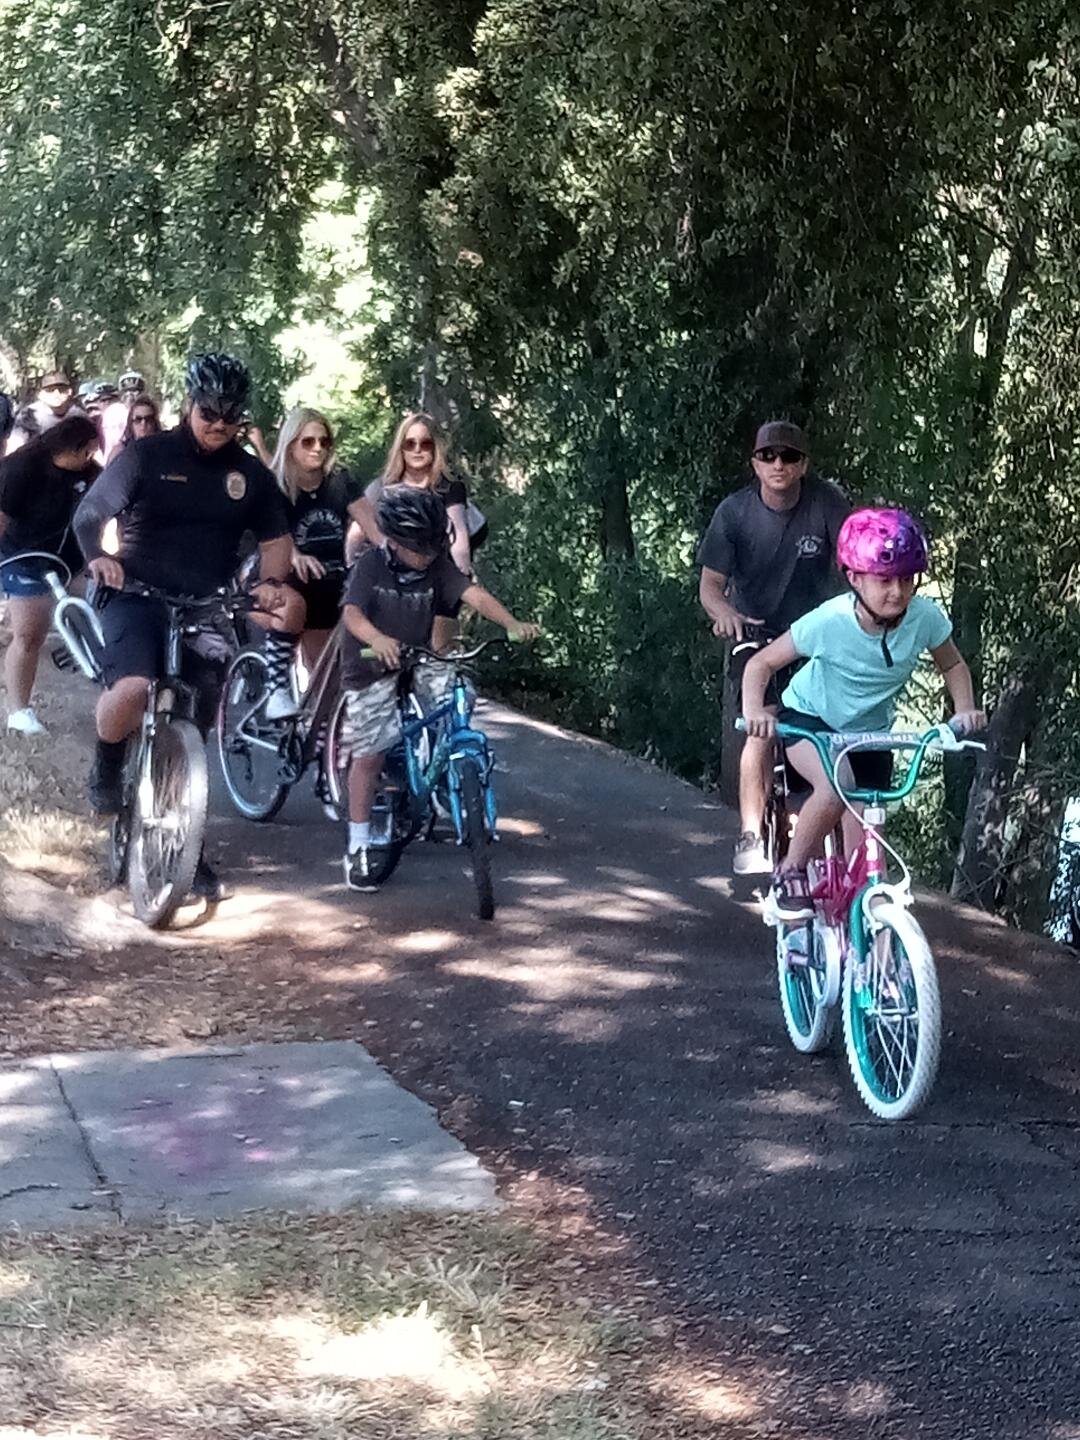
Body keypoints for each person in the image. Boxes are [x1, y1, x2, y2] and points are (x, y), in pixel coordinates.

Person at [73, 352, 301, 901]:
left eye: (229, 416)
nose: (218, 424)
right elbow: (90, 516)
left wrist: (271, 582)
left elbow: (276, 542)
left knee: (196, 729)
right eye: (208, 412)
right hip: (135, 592)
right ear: (189, 405)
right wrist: (98, 558)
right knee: (132, 688)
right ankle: (107, 768)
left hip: (208, 605)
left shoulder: (248, 475)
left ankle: (187, 851)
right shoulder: (145, 456)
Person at [741, 508, 986, 920]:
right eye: (884, 579)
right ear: (855, 578)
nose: (897, 591)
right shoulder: (829, 621)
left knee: (868, 854)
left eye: (907, 579)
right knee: (837, 789)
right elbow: (759, 665)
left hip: (870, 734)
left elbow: (954, 666)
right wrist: (754, 711)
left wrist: (963, 711)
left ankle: (870, 952)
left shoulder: (924, 618)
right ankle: (790, 872)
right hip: (810, 721)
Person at [339, 484, 538, 890]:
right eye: (419, 548)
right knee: (370, 752)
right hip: (371, 664)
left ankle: (449, 775)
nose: (427, 556)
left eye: (433, 547)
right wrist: (376, 640)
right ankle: (358, 844)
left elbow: (474, 596)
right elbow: (352, 614)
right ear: (394, 542)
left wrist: (512, 623)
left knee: (454, 693)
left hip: (418, 654)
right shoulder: (372, 566)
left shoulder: (437, 566)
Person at [698, 420, 850, 874]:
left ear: (804, 464)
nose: (778, 464)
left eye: (788, 456)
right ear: (755, 463)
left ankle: (837, 834)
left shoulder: (826, 503)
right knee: (759, 725)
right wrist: (723, 612)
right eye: (768, 456)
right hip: (756, 632)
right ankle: (748, 834)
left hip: (813, 635)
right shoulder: (734, 513)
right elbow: (710, 587)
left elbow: (852, 560)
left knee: (835, 725)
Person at [0, 414, 100, 735]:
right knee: (29, 633)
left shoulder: (93, 475)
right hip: (23, 557)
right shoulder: (21, 470)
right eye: (86, 451)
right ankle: (19, 711)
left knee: (106, 600)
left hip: (70, 560)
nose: (90, 457)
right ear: (69, 448)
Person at [354, 412, 474, 650]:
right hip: (392, 579)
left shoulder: (449, 486)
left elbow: (458, 532)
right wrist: (352, 562)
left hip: (436, 573)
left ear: (435, 447)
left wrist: (463, 567)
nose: (418, 450)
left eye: (425, 444)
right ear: (401, 448)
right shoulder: (383, 487)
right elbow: (358, 531)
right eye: (410, 444)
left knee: (442, 650)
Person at [268, 406, 365, 669]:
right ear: (290, 446)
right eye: (308, 441)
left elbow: (374, 526)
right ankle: (274, 684)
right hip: (288, 582)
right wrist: (295, 555)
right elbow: (271, 534)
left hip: (331, 581)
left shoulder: (339, 481)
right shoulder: (275, 487)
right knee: (296, 596)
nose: (317, 448)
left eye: (324, 441)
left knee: (329, 679)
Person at [6, 370, 86, 452]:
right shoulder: (29, 415)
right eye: (50, 390)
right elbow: (14, 446)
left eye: (61, 390)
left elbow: (92, 446)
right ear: (41, 394)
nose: (56, 394)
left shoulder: (79, 415)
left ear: (69, 392)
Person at [104, 394, 161, 464]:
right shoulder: (120, 452)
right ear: (131, 423)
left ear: (155, 422)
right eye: (138, 419)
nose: (143, 424)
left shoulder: (164, 449)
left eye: (148, 419)